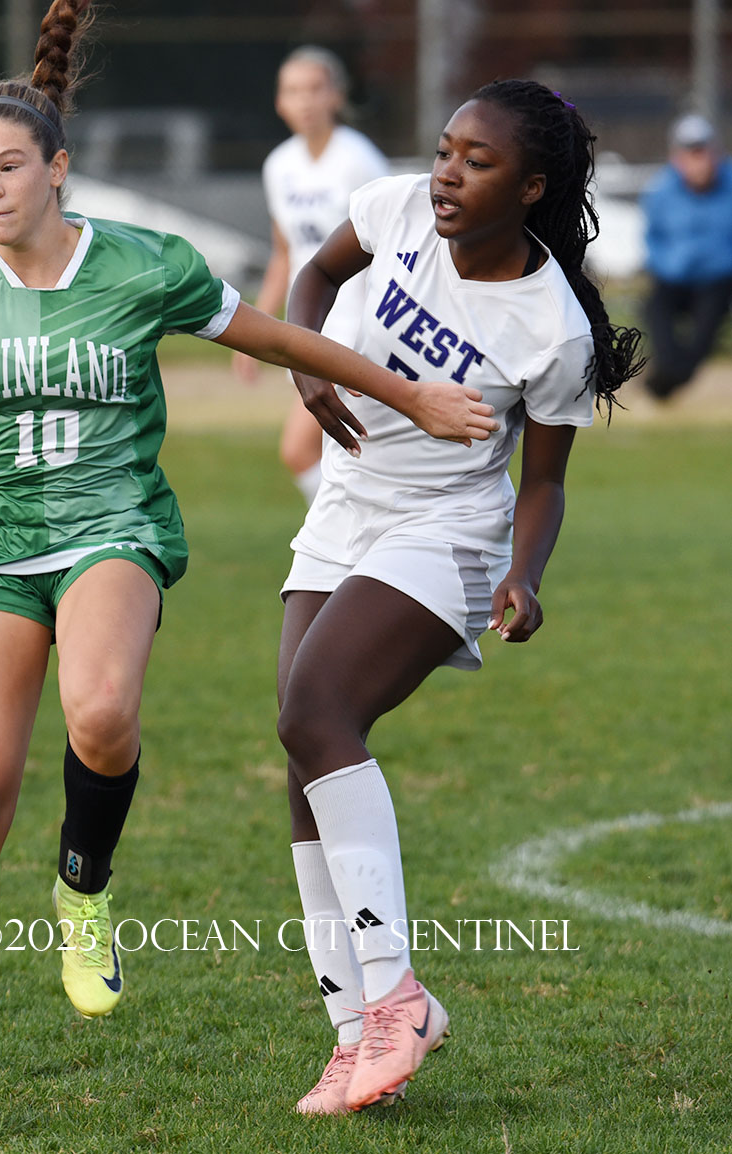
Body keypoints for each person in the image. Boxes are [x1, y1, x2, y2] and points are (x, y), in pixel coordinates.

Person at [0, 0, 497, 1140]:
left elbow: (280, 336)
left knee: (102, 714)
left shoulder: (141, 266)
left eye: (8, 167)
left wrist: (406, 394)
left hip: (111, 529)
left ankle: (83, 883)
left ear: (57, 169)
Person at [275, 79, 644, 1117]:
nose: (445, 174)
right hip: (344, 507)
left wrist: (525, 573)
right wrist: (305, 367)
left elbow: (544, 481)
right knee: (303, 758)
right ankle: (354, 1035)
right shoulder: (394, 207)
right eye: (444, 150)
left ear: (529, 188)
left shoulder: (553, 328)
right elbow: (313, 274)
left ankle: (396, 996)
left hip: (446, 530)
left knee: (315, 714)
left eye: (476, 162)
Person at [233, 46, 388, 506]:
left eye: (316, 88)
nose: (305, 100)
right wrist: (253, 329)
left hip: (358, 328)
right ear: (279, 102)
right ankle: (360, 534)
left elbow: (392, 247)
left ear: (337, 96)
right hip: (310, 323)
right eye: (293, 91)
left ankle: (347, 535)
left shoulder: (359, 160)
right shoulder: (279, 165)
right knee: (345, 457)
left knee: (301, 450)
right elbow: (286, 253)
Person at [640, 112, 732, 400]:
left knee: (707, 324)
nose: (698, 161)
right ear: (677, 157)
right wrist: (665, 266)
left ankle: (674, 377)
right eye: (690, 153)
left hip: (717, 279)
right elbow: (653, 237)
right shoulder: (661, 191)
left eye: (703, 151)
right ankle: (668, 371)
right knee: (655, 309)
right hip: (673, 276)